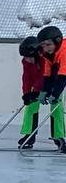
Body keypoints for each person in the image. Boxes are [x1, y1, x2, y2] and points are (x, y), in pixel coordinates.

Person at [36, 25, 66, 153]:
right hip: (62, 75)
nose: (45, 48)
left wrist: (55, 93)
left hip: (64, 75)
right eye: (43, 45)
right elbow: (48, 75)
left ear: (57, 41)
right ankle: (59, 137)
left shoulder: (64, 51)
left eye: (48, 45)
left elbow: (63, 76)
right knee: (56, 106)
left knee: (57, 100)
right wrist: (45, 91)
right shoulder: (48, 54)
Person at [18, 35, 45, 150]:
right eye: (25, 57)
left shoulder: (45, 59)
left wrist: (38, 92)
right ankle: (29, 135)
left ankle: (59, 137)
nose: (26, 59)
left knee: (56, 108)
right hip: (36, 87)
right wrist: (26, 93)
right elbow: (26, 78)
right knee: (30, 107)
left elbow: (43, 76)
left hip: (52, 85)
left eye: (28, 57)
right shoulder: (26, 62)